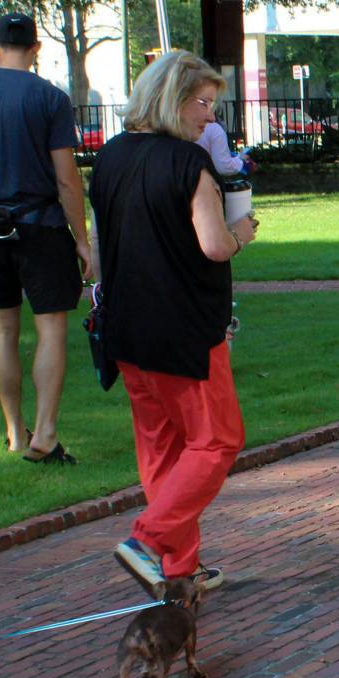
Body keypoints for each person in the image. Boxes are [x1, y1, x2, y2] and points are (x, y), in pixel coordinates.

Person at [93, 51, 254, 598]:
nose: (209, 116)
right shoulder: (189, 165)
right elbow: (213, 244)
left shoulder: (110, 158)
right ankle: (149, 541)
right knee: (216, 441)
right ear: (173, 97)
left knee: (162, 450)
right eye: (203, 102)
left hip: (127, 327)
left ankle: (176, 567)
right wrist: (242, 235)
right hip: (184, 328)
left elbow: (98, 246)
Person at [0, 12, 92, 463]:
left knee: (3, 327)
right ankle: (46, 432)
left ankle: (13, 430)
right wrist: (82, 238)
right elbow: (67, 178)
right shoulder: (49, 97)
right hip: (41, 223)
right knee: (50, 326)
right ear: (35, 48)